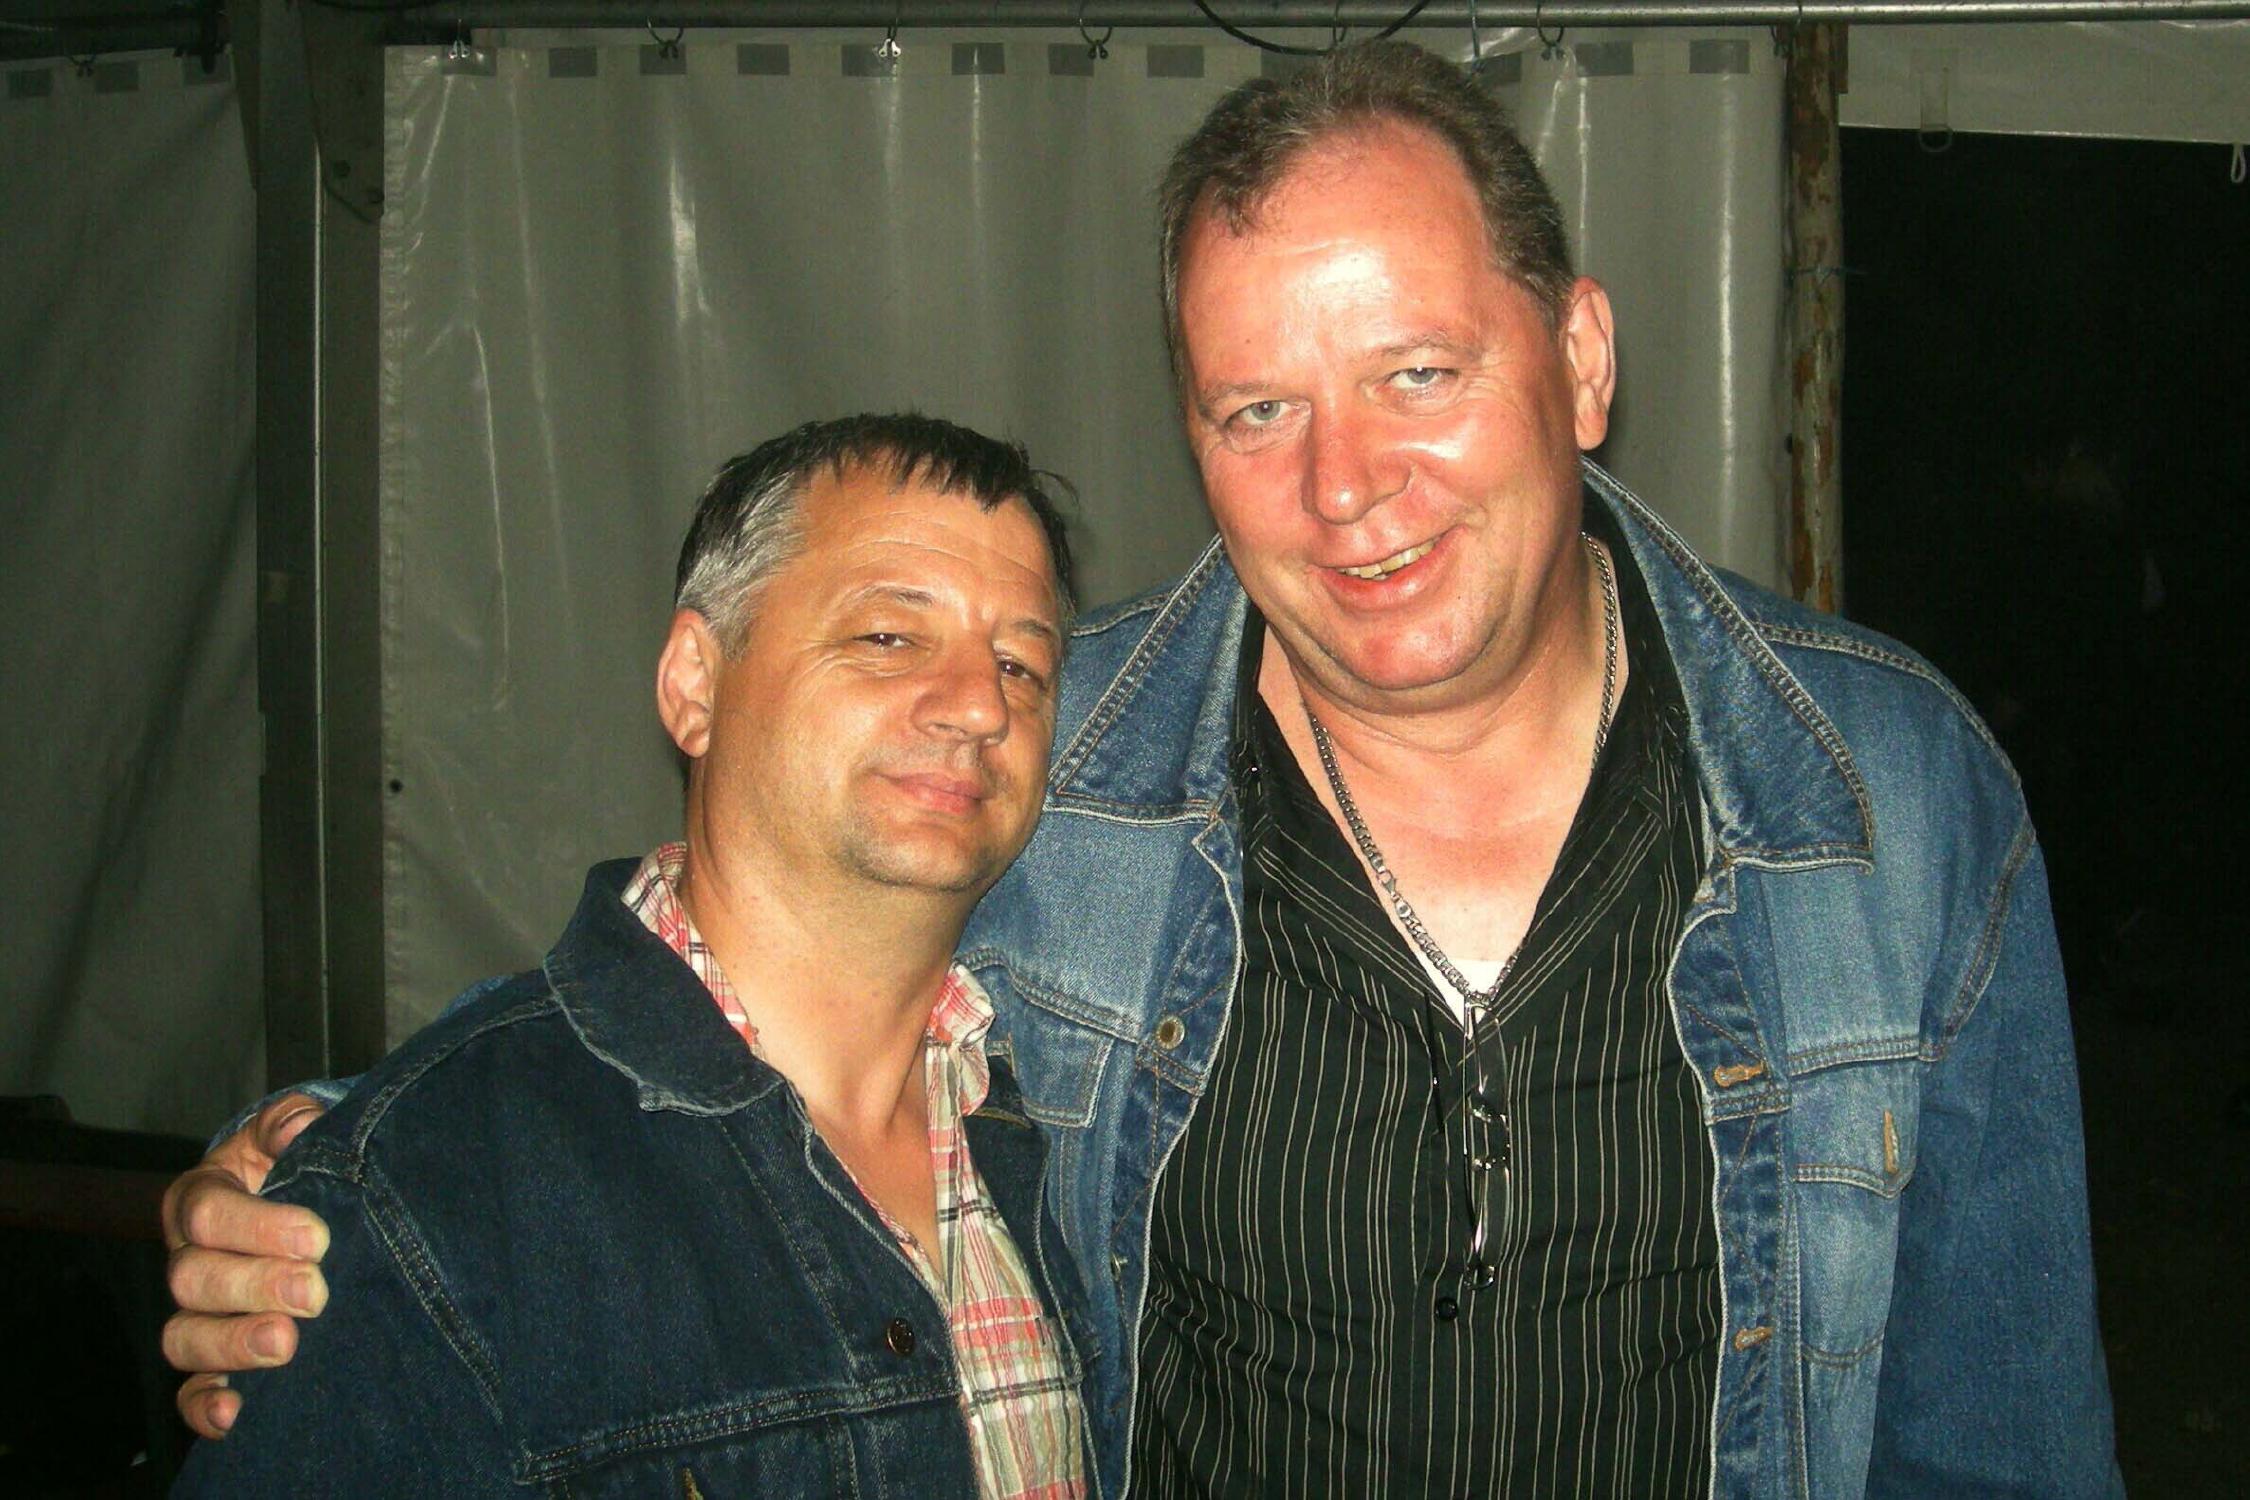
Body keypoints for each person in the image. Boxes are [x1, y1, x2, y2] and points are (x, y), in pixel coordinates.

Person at [164, 42, 2119, 1498]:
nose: (1346, 487)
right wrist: (343, 1164)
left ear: (1582, 360)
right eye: (1260, 409)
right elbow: (726, 987)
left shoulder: (1891, 795)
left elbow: (2000, 1443)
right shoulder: (1050, 761)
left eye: (1419, 375)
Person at [170, 415, 1094, 1496]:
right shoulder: (426, 1195)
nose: (982, 705)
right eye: (889, 636)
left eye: (1022, 665)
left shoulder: (1072, 1125)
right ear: (695, 684)